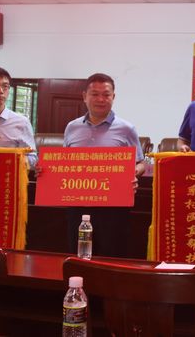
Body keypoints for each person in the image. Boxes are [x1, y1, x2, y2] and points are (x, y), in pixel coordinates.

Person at [62, 73, 145, 258]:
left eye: (106, 94)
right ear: (85, 96)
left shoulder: (126, 128)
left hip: (113, 207)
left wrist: (132, 172)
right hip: (78, 204)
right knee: (78, 254)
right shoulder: (72, 127)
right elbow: (64, 163)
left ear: (113, 97)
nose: (101, 99)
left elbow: (141, 163)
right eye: (95, 94)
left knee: (111, 255)